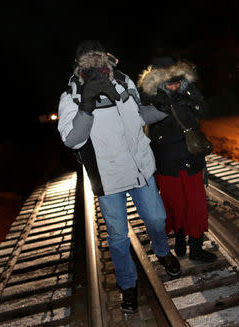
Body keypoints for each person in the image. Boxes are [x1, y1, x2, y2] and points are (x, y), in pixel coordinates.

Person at [57, 40, 179, 314]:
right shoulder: (71, 95)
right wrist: (86, 106)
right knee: (118, 236)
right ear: (78, 67)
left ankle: (161, 252)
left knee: (157, 218)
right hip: (107, 177)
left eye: (98, 62)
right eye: (88, 65)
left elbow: (138, 116)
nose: (96, 70)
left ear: (107, 60)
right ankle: (128, 285)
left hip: (139, 168)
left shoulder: (124, 82)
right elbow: (72, 140)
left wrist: (160, 109)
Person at [137, 57, 217, 263]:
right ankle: (180, 239)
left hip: (192, 159)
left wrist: (190, 94)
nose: (174, 85)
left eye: (177, 81)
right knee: (175, 205)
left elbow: (204, 112)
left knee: (197, 206)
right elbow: (143, 122)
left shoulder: (187, 92)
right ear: (158, 81)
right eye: (169, 82)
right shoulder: (149, 98)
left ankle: (196, 248)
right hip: (167, 162)